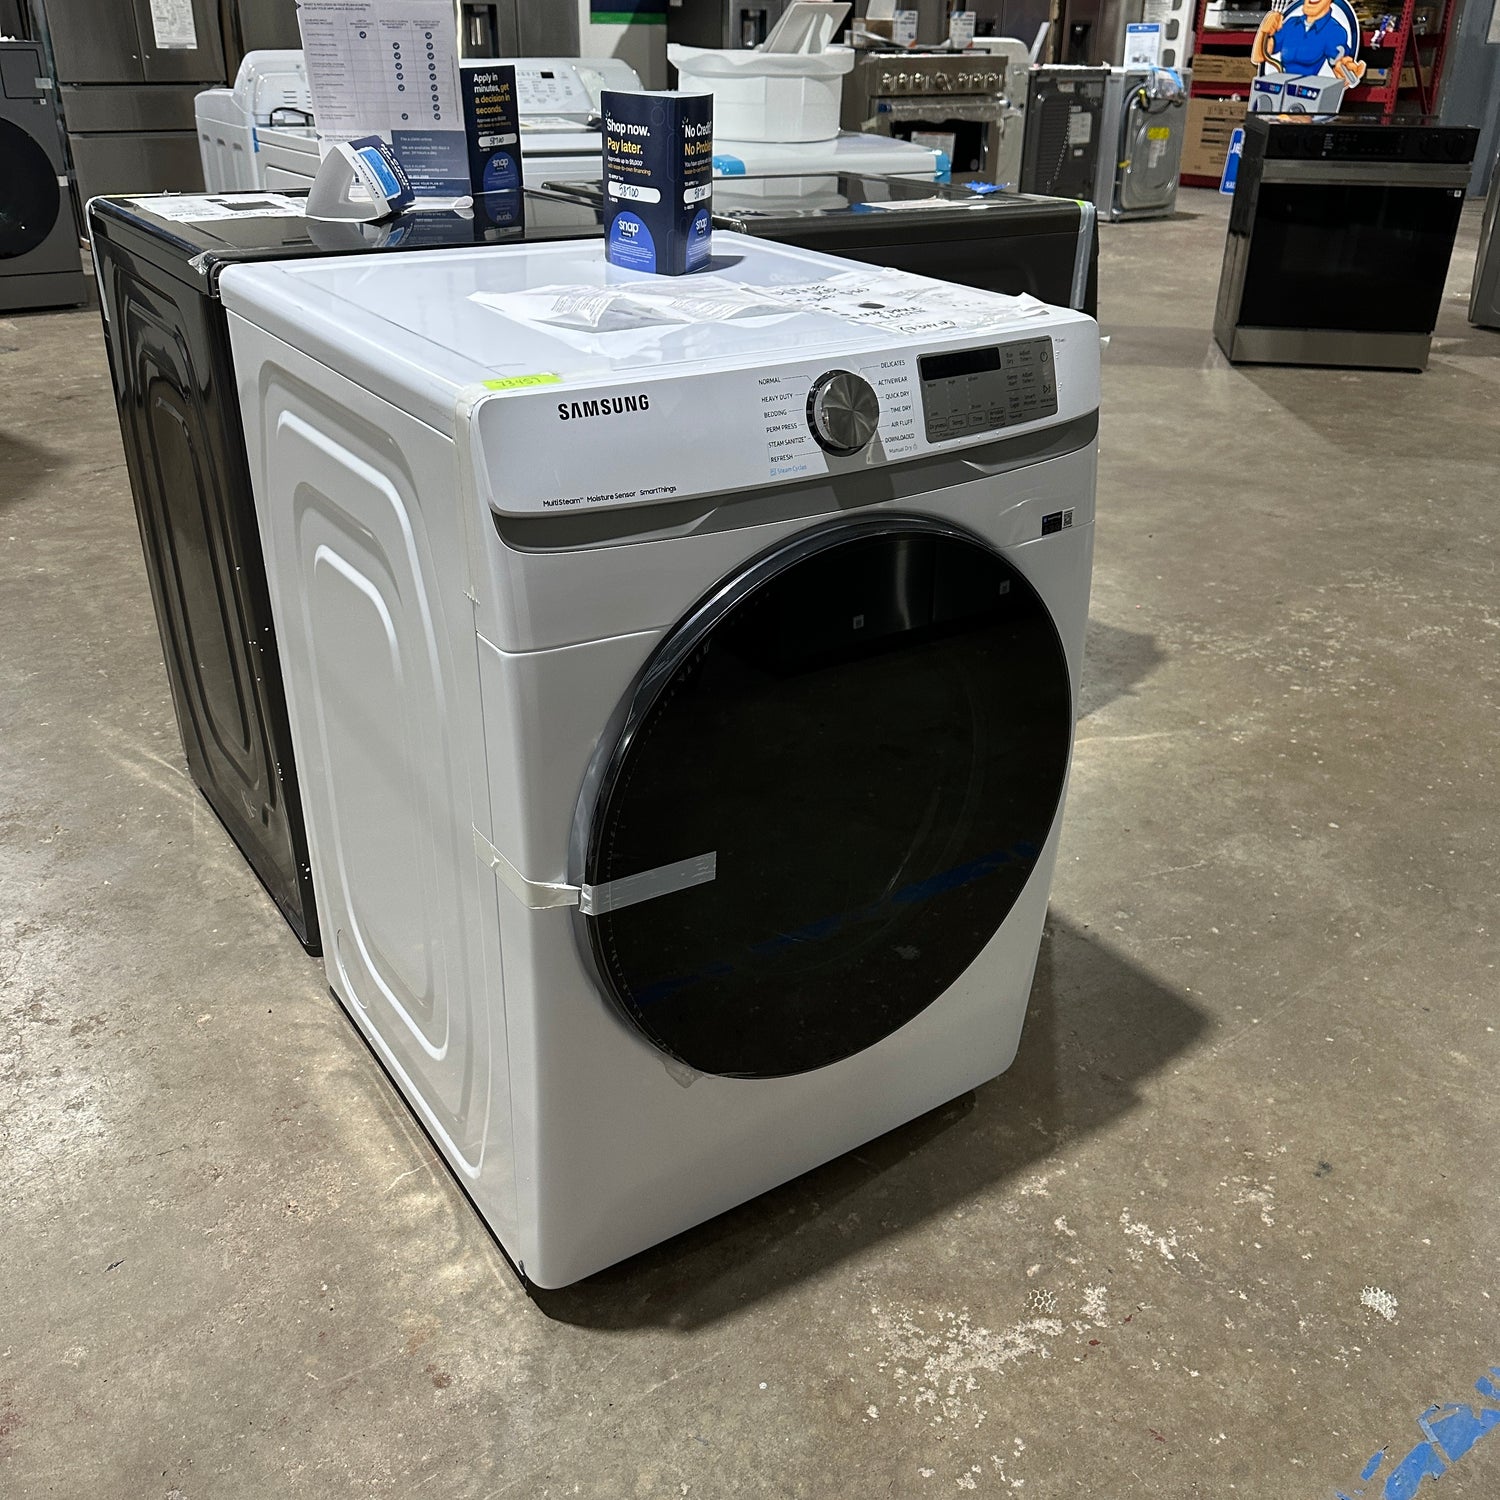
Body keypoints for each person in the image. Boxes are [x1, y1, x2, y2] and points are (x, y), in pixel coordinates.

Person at [1252, 0, 1367, 85]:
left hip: (1307, 94)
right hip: (1280, 88)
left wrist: (1347, 71)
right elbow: (1258, 57)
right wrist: (1264, 32)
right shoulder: (1291, 23)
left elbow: (1339, 65)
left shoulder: (1333, 31)